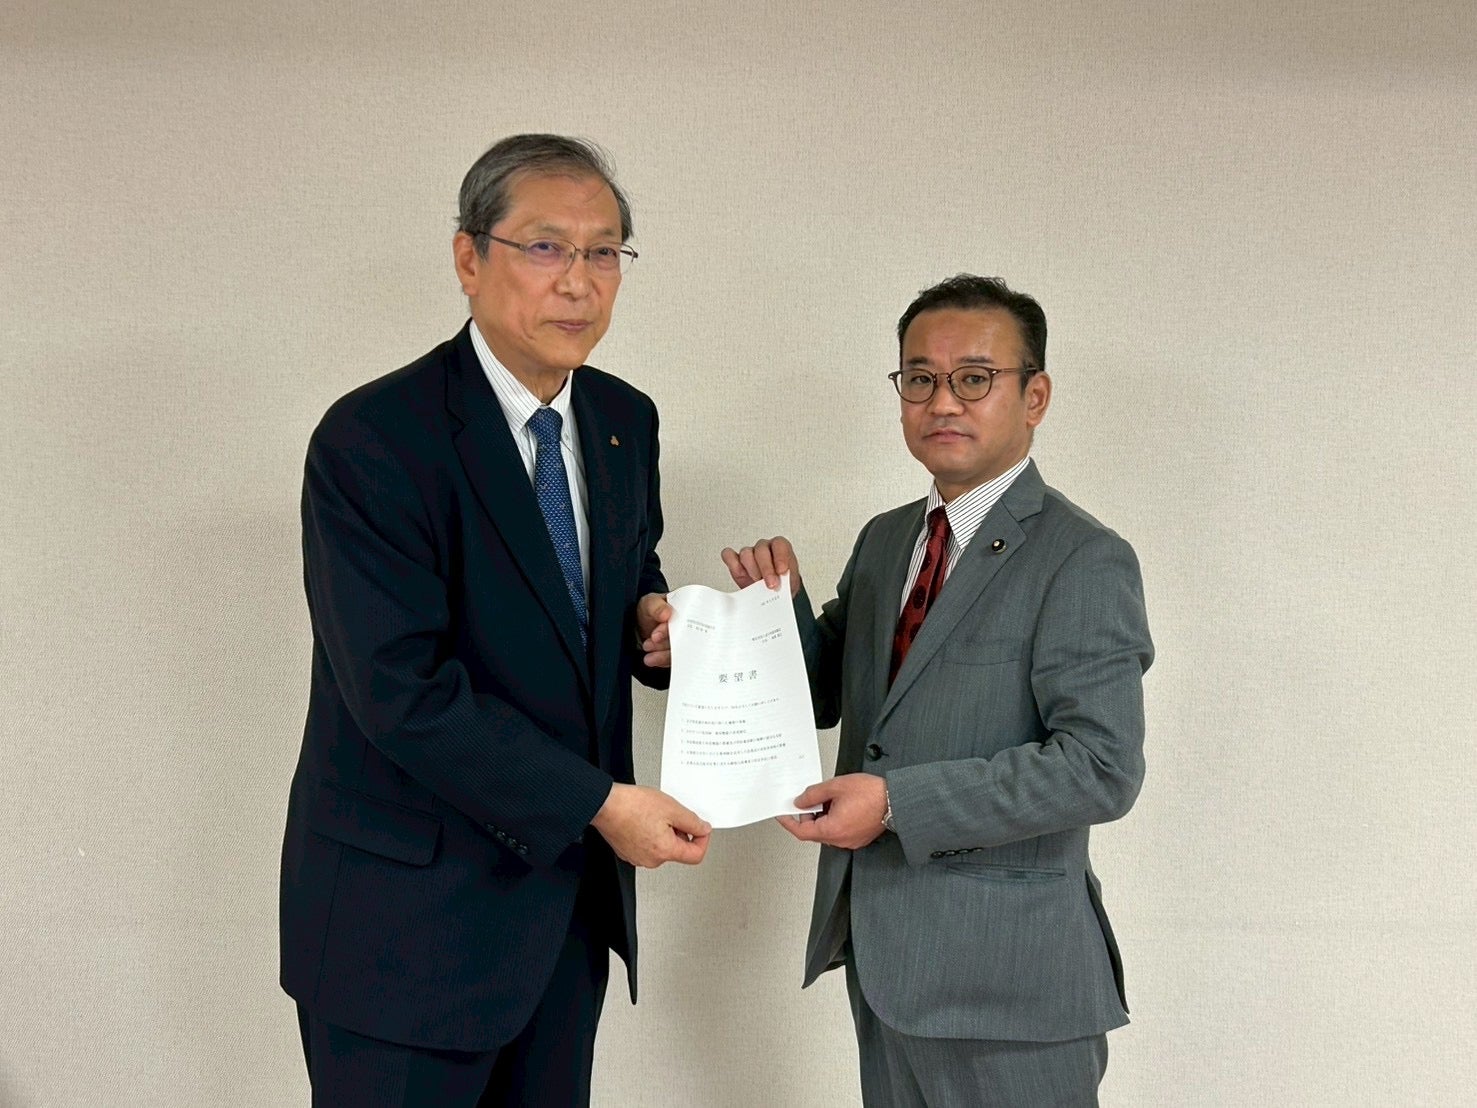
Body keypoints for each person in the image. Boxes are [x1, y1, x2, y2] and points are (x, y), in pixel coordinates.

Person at [279, 134, 711, 1107]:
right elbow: (400, 692)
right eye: (546, 247)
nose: (579, 282)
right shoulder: (374, 438)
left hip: (562, 917)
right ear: (469, 259)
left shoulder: (623, 419)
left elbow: (613, 580)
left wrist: (653, 620)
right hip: (403, 929)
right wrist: (602, 805)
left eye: (603, 252)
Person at [724, 275, 1153, 1107]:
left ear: (1034, 397)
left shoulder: (1082, 558)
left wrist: (894, 803)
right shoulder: (888, 540)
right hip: (884, 961)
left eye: (973, 378)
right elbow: (829, 693)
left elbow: (1100, 768)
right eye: (919, 378)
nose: (942, 401)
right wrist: (766, 619)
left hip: (1011, 987)